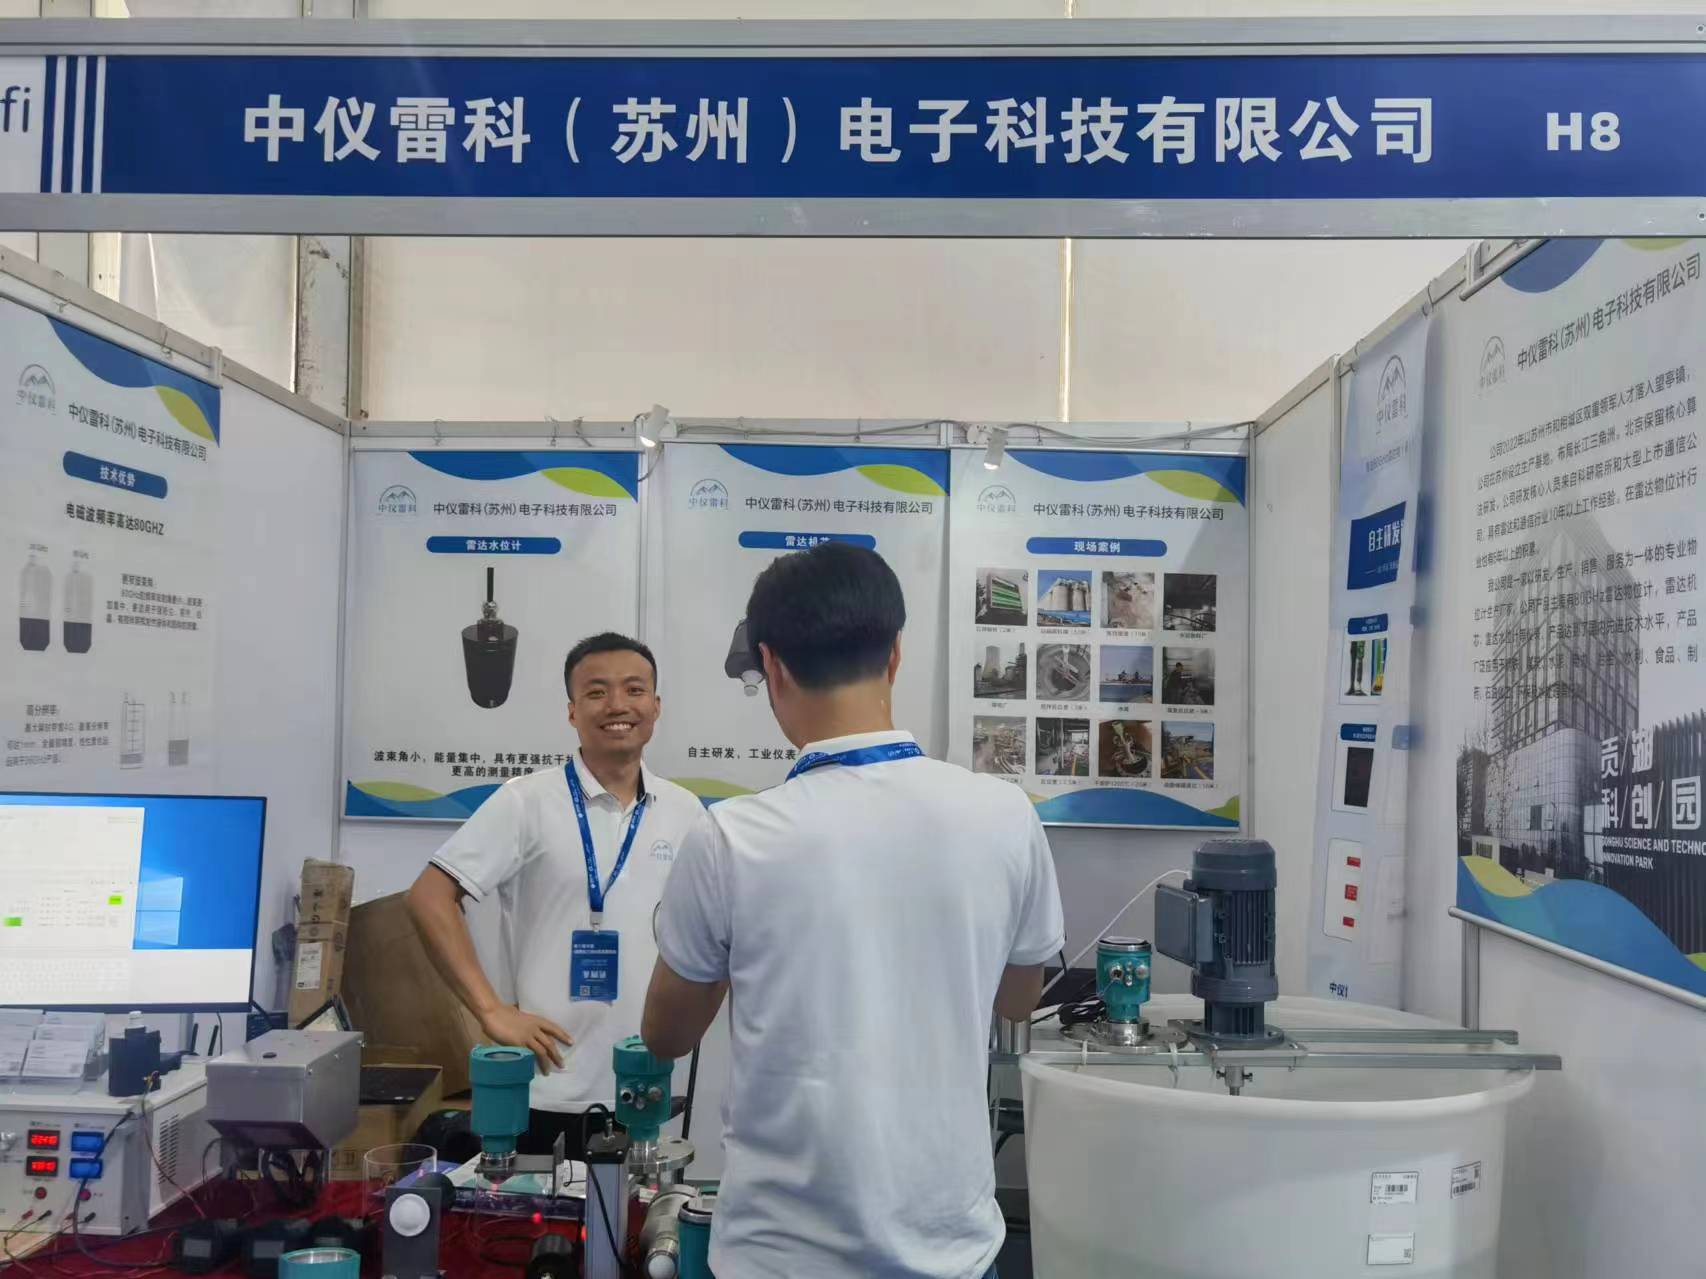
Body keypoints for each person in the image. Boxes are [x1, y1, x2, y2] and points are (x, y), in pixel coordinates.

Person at [641, 544, 1065, 1279]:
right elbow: (1019, 999)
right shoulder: (1003, 814)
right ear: (895, 653)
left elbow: (666, 1034)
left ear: (770, 666)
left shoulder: (731, 837)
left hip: (779, 1256)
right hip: (953, 1249)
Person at [407, 632, 702, 1159]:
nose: (618, 705)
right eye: (597, 692)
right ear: (572, 711)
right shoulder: (526, 801)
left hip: (647, 1083)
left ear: (656, 707)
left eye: (634, 690)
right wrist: (490, 1010)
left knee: (638, 1213)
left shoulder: (685, 813)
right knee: (538, 1212)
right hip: (546, 1086)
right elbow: (430, 896)